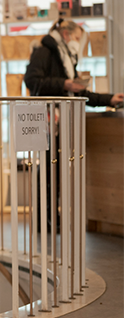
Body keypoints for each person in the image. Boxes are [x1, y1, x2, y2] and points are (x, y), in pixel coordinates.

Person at [24, 19, 124, 230]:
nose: (78, 42)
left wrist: (109, 99)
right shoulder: (45, 52)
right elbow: (32, 81)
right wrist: (65, 84)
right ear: (66, 34)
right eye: (77, 38)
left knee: (56, 169)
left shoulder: (66, 57)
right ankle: (44, 217)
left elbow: (79, 94)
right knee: (49, 168)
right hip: (48, 120)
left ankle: (52, 215)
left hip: (60, 121)